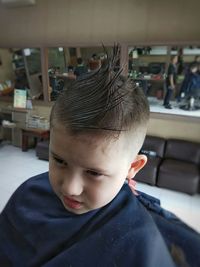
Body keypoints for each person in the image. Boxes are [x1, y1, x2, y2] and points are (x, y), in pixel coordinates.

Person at [0, 46, 200, 267]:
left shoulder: (138, 245)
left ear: (133, 167)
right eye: (59, 160)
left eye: (94, 172)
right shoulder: (28, 195)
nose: (70, 188)